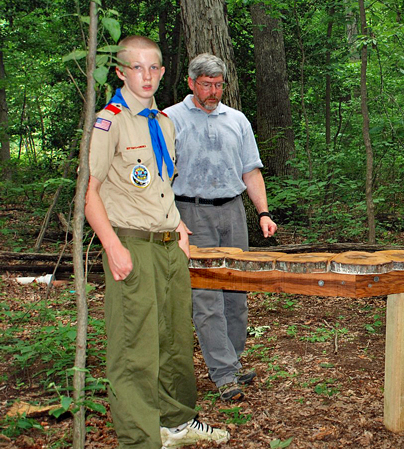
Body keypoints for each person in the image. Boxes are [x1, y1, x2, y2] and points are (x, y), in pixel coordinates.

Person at [85, 36, 229, 448]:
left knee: (174, 340)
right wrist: (112, 246)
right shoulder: (109, 122)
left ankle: (176, 422)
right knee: (135, 348)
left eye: (153, 68)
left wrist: (180, 229)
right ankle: (140, 439)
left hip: (168, 244)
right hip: (133, 244)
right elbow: (89, 191)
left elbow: (161, 186)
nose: (145, 76)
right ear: (120, 71)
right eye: (136, 67)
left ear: (164, 72)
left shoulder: (163, 122)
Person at [164, 53, 277, 402]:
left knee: (237, 292)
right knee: (207, 297)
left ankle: (233, 357)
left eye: (217, 85)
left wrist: (263, 212)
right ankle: (224, 374)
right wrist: (173, 219)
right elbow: (160, 174)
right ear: (191, 82)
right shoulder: (170, 118)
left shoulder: (237, 120)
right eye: (205, 84)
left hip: (232, 212)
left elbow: (250, 171)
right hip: (191, 213)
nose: (212, 92)